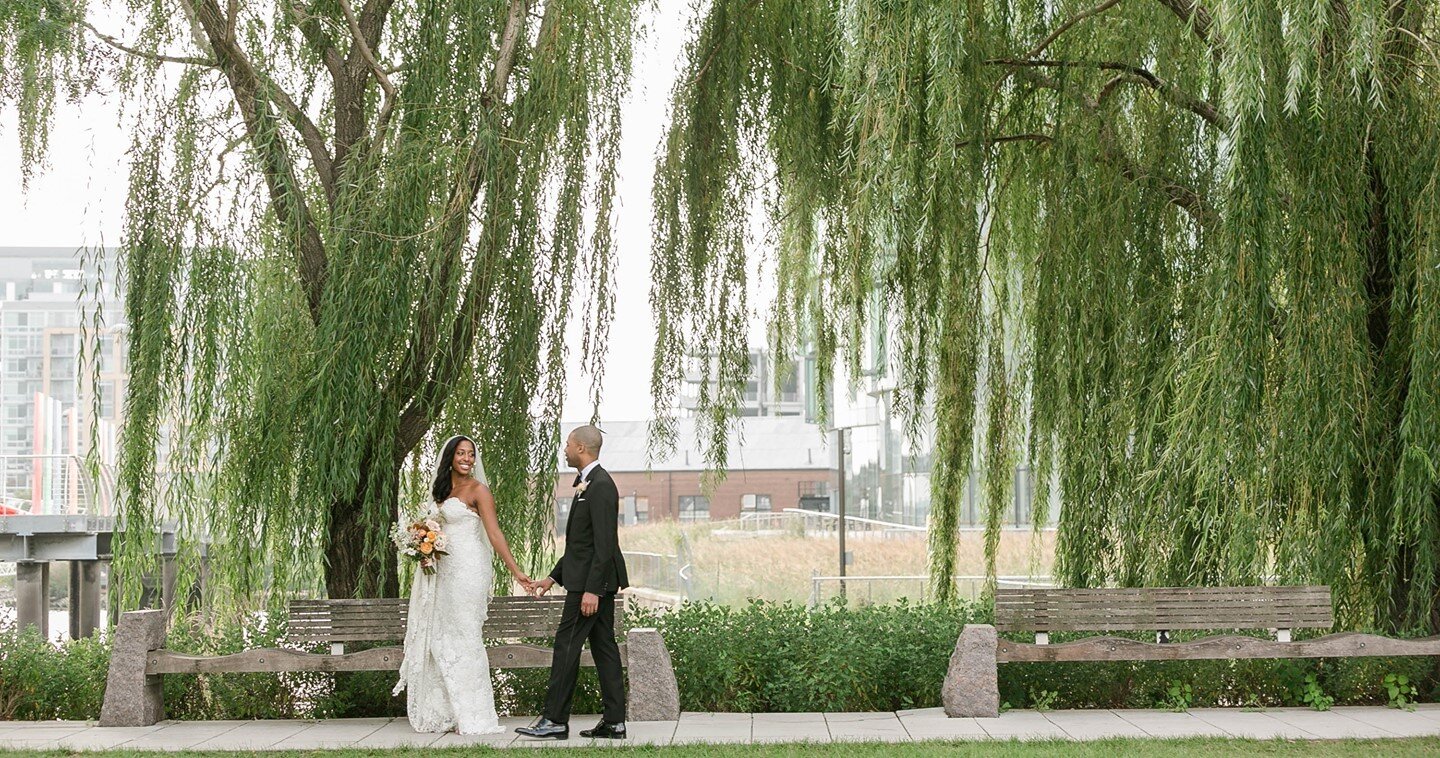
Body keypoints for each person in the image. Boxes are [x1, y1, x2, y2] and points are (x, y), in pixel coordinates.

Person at [394, 435, 534, 734]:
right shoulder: (442, 490)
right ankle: (449, 712)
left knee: (466, 635)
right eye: (461, 453)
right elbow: (433, 528)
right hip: (442, 571)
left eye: (471, 454)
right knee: (441, 637)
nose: (467, 459)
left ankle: (474, 714)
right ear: (450, 457)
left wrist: (516, 571)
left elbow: (494, 534)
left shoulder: (479, 490)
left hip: (469, 569)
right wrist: (421, 545)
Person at [516, 424, 630, 740]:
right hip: (586, 579)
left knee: (566, 645)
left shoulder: (601, 485)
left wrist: (593, 589)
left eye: (568, 444)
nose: (565, 450)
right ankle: (615, 722)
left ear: (581, 447)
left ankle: (554, 720)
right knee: (604, 646)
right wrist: (553, 577)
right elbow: (580, 545)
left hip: (591, 585)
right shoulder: (587, 483)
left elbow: (605, 544)